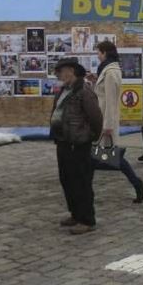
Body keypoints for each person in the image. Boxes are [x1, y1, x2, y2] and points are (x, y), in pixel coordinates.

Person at [92, 41, 143, 204]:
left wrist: (108, 126)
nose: (97, 55)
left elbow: (111, 101)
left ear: (104, 52)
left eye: (99, 52)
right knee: (105, 157)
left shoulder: (110, 72)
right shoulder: (107, 70)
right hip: (102, 118)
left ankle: (137, 184)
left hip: (105, 120)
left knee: (104, 158)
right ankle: (138, 184)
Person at [49, 58, 103, 235]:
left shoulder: (84, 91)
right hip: (63, 142)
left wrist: (90, 136)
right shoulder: (64, 90)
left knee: (81, 182)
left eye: (61, 71)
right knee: (67, 180)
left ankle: (87, 219)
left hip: (78, 144)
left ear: (71, 71)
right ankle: (75, 213)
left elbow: (96, 118)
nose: (59, 74)